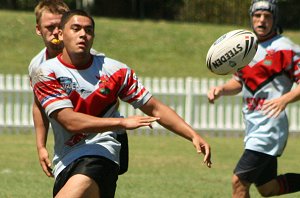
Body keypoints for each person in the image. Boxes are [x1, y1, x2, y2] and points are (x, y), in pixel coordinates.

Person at [31, 9, 212, 198]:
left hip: (102, 152)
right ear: (61, 34)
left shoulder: (115, 71)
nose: (83, 34)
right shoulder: (46, 73)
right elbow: (69, 121)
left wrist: (192, 135)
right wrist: (41, 145)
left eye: (89, 30)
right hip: (65, 158)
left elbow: (154, 107)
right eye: (76, 29)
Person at [207, 0, 300, 197]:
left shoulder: (286, 48)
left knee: (239, 182)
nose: (262, 20)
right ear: (251, 18)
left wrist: (284, 99)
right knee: (268, 188)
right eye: (257, 16)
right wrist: (221, 89)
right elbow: (239, 82)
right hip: (252, 124)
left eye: (267, 16)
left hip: (270, 126)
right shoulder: (245, 48)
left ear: (275, 20)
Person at [28, 0, 129, 178]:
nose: (55, 32)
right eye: (49, 27)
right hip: (68, 143)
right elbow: (38, 105)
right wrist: (41, 146)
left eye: (59, 26)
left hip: (104, 136)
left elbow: (112, 99)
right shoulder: (37, 66)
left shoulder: (91, 59)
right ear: (38, 30)